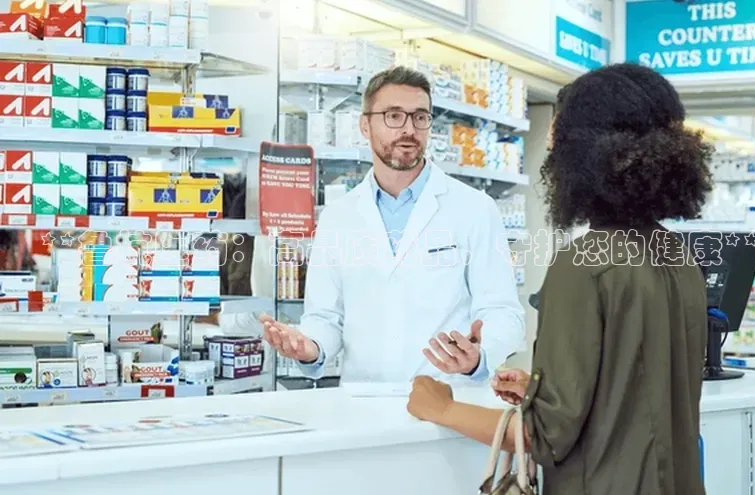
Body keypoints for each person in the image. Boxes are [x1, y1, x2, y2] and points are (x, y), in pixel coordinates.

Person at [406, 62, 714, 495]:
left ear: (584, 154)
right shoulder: (677, 254)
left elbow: (545, 437)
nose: (551, 150)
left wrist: (442, 408)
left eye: (558, 139)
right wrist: (539, 388)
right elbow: (641, 393)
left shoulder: (585, 263)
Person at [260, 66, 526, 383]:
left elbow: (503, 312)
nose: (409, 129)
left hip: (448, 398)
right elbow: (325, 317)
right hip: (363, 399)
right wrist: (310, 347)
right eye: (394, 116)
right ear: (365, 125)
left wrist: (479, 356)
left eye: (420, 117)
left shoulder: (475, 209)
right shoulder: (338, 217)